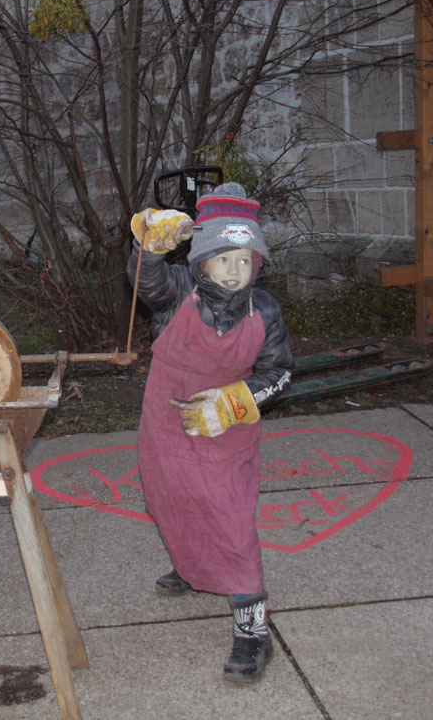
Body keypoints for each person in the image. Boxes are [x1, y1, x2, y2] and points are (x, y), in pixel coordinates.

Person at [127, 182, 292, 684]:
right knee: (172, 497)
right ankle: (192, 564)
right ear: (201, 263)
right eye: (224, 259)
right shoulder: (177, 290)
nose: (236, 271)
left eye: (246, 260)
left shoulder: (264, 311)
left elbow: (280, 374)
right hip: (166, 416)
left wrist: (235, 400)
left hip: (227, 425)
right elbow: (143, 282)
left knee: (231, 516)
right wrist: (148, 250)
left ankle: (252, 631)